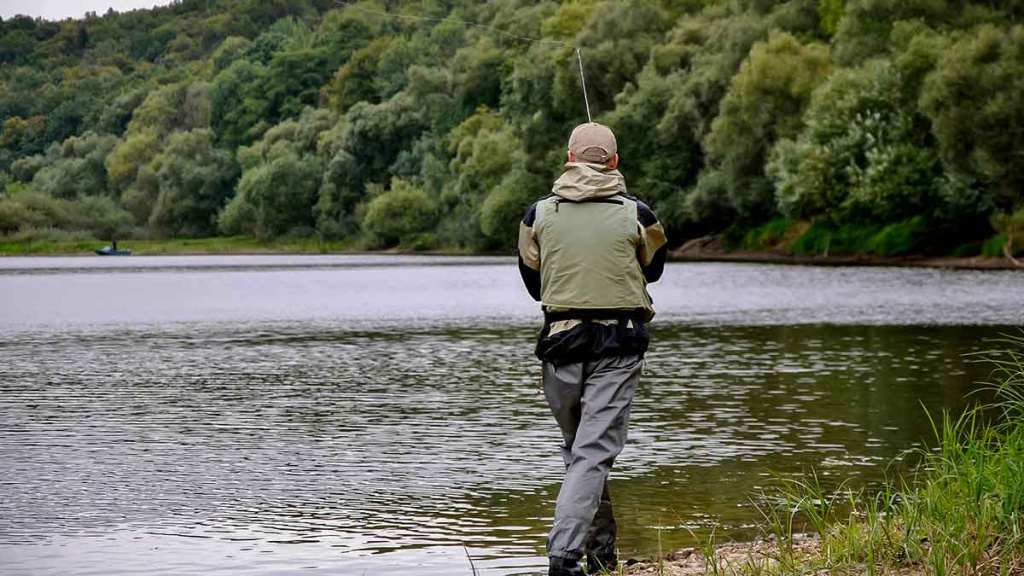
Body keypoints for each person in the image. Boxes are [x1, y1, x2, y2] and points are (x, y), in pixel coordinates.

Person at [517, 123, 667, 576]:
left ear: (569, 158)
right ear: (614, 163)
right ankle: (564, 557)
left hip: (560, 343)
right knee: (591, 451)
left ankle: (602, 554)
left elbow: (532, 283)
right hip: (617, 342)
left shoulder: (535, 215)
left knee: (583, 450)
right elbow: (654, 270)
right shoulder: (638, 213)